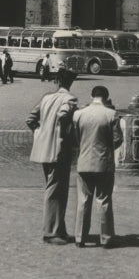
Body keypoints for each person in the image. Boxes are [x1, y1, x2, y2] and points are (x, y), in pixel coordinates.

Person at [26, 68, 79, 245]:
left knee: (54, 189)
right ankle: (51, 232)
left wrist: (39, 133)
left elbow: (30, 119)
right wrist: (66, 133)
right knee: (56, 191)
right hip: (58, 150)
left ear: (57, 81)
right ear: (70, 82)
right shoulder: (70, 99)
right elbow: (63, 115)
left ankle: (59, 229)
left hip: (43, 149)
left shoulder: (46, 98)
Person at [72, 85, 123, 248]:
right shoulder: (111, 114)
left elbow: (76, 139)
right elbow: (117, 139)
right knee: (104, 200)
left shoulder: (79, 114)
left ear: (92, 96)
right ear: (106, 98)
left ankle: (80, 238)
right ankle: (106, 238)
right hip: (104, 164)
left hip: (84, 162)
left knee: (83, 201)